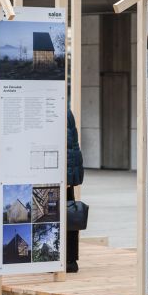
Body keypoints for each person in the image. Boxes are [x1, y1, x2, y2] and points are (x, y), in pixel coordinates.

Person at [66, 108, 84, 273]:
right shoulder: (66, 109)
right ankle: (69, 259)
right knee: (68, 213)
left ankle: (68, 260)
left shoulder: (58, 108)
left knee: (63, 214)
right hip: (68, 172)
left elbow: (68, 146)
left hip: (63, 172)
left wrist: (66, 175)